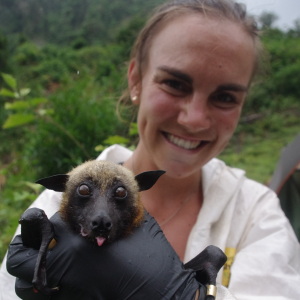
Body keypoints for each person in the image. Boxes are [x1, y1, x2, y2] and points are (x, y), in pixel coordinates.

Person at [1, 0, 300, 299]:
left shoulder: (256, 215)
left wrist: (186, 295)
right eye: (174, 83)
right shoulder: (61, 204)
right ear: (136, 80)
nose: (194, 120)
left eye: (225, 96)